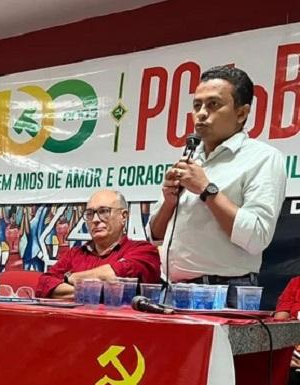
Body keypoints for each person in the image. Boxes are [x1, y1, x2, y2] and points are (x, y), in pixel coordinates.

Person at [148, 65, 287, 307]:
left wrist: (207, 190)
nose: (201, 114)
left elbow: (256, 237)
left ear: (242, 113)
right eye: (197, 105)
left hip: (226, 292)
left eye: (213, 105)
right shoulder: (189, 159)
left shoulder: (263, 157)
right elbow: (155, 236)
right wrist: (169, 202)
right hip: (171, 289)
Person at [36, 189, 161, 298]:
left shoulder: (143, 250)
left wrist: (70, 278)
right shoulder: (74, 254)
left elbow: (112, 276)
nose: (95, 220)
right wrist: (93, 294)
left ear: (123, 216)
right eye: (90, 214)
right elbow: (44, 284)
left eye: (104, 211)